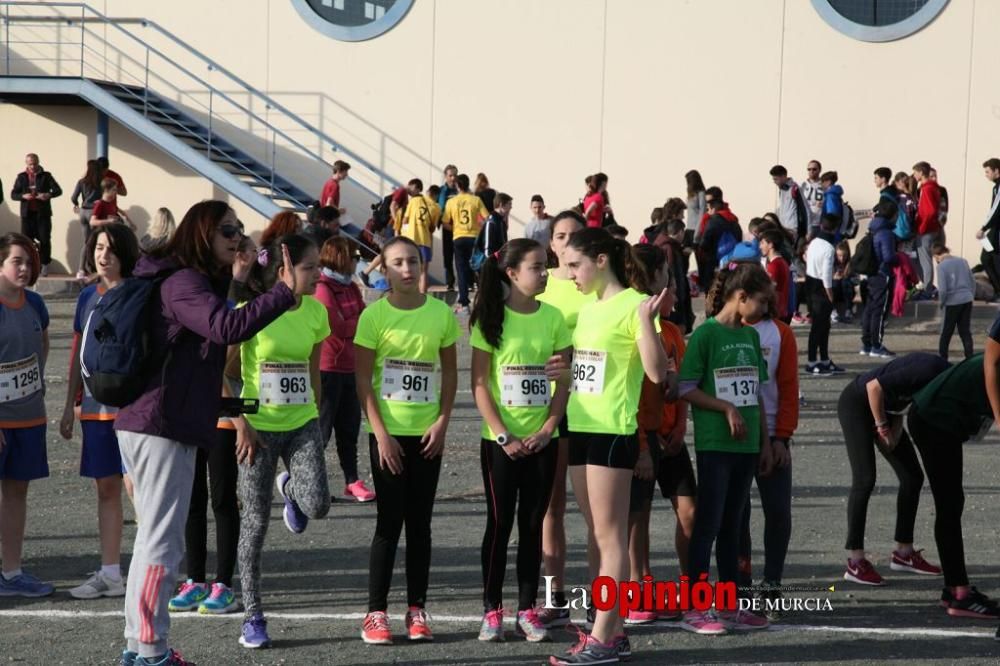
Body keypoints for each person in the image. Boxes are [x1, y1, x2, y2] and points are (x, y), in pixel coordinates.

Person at [114, 201, 297, 666]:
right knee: (161, 541)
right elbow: (225, 326)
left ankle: (140, 647)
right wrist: (282, 293)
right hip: (160, 425)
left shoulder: (184, 280)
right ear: (201, 234)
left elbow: (212, 330)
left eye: (238, 230)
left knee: (152, 539)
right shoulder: (181, 282)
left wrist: (237, 281)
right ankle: (151, 650)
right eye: (227, 231)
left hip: (156, 421)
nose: (237, 238)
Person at [549, 227, 670, 665]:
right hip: (580, 426)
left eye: (575, 265)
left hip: (612, 432)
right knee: (597, 535)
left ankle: (603, 637)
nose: (571, 275)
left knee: (610, 535)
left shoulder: (634, 305)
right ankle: (611, 630)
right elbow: (591, 371)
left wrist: (644, 323)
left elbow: (657, 374)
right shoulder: (589, 308)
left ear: (601, 261)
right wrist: (564, 371)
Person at [355, 237, 458, 645]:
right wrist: (380, 434)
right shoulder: (373, 317)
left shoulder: (441, 314)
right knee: (388, 523)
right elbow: (363, 380)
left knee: (421, 524)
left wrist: (443, 422)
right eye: (397, 262)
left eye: (413, 261)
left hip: (428, 432)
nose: (406, 269)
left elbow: (449, 373)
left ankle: (417, 609)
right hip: (388, 435)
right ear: (385, 269)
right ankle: (375, 612)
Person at [470, 238, 572, 643]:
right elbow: (479, 383)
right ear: (512, 274)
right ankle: (492, 610)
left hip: (543, 440)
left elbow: (566, 380)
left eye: (546, 266)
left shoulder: (555, 317)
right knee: (499, 524)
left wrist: (549, 428)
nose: (545, 273)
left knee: (533, 525)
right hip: (501, 442)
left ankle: (527, 610)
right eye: (537, 267)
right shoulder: (489, 320)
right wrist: (502, 434)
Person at [233, 234, 331, 649]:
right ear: (283, 270)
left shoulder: (316, 313)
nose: (318, 274)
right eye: (310, 267)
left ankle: (290, 487)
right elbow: (220, 372)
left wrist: (315, 420)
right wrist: (240, 422)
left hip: (302, 423)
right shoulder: (248, 312)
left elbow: (314, 373)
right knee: (254, 525)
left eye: (319, 266)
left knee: (319, 504)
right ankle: (253, 617)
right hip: (257, 428)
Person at [677, 262, 773, 637]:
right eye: (762, 302)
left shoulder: (751, 337)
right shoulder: (706, 336)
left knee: (734, 525)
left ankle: (731, 604)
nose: (766, 311)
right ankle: (696, 606)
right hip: (716, 444)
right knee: (709, 524)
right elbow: (685, 387)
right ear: (742, 297)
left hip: (747, 447)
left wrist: (765, 442)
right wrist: (726, 408)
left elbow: (758, 395)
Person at [168, 231, 257, 619]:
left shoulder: (242, 303)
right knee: (192, 500)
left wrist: (239, 420)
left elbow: (220, 357)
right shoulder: (194, 294)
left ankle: (223, 583)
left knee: (222, 499)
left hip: (223, 414)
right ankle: (195, 580)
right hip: (194, 412)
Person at [60, 225, 140, 600]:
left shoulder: (139, 294)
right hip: (95, 409)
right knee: (106, 489)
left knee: (138, 487)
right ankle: (110, 572)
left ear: (125, 252)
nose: (102, 254)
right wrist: (69, 403)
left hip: (133, 409)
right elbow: (78, 351)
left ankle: (151, 565)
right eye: (98, 247)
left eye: (110, 248)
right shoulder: (88, 296)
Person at [839, 352, 947, 586]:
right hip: (857, 403)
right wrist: (882, 426)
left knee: (912, 477)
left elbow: (900, 399)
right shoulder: (930, 371)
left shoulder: (942, 383)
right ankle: (855, 561)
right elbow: (875, 387)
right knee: (865, 479)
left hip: (885, 411)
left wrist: (893, 424)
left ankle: (903, 553)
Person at [908, 349, 1000, 619]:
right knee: (949, 504)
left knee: (951, 503)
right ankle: (958, 593)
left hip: (936, 418)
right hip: (932, 419)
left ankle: (954, 588)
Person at [535, 211, 594, 628]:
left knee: (597, 515)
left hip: (592, 409)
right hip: (549, 409)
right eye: (560, 235)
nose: (567, 241)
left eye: (575, 235)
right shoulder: (538, 286)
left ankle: (597, 597)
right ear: (551, 243)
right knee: (550, 508)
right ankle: (554, 597)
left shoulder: (594, 287)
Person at [625, 244, 680, 625]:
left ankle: (650, 586)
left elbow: (670, 386)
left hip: (660, 434)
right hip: (638, 436)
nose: (672, 283)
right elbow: (635, 395)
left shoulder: (666, 328)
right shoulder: (637, 320)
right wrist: (643, 446)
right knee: (634, 518)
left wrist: (678, 423)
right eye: (667, 274)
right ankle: (634, 592)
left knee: (659, 514)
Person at [738, 290, 798, 620]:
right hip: (734, 438)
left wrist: (781, 438)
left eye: (765, 299)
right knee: (738, 516)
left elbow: (788, 388)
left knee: (777, 513)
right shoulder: (722, 330)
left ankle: (772, 583)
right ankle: (742, 584)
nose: (761, 306)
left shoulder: (780, 333)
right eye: (754, 298)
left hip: (774, 435)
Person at [0, 233, 53, 598]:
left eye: (28, 261)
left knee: (17, 494)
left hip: (29, 417)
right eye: (16, 261)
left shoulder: (35, 303)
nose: (24, 267)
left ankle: (12, 571)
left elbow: (44, 342)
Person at [314, 237, 374, 502]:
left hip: (351, 366)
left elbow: (365, 318)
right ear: (340, 257)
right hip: (328, 368)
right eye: (353, 256)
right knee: (322, 430)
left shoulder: (350, 287)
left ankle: (352, 480)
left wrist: (354, 321)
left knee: (349, 429)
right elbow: (337, 326)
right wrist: (356, 322)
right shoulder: (323, 287)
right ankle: (308, 480)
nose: (356, 261)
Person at [442, 173, 489, 314]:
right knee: (479, 267)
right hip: (473, 237)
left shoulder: (451, 202)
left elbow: (445, 223)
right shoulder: (475, 200)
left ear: (457, 185)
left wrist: (455, 228)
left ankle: (464, 304)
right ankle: (484, 299)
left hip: (459, 237)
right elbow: (487, 218)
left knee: (461, 270)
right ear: (468, 184)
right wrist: (478, 228)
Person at [804, 214, 844, 376]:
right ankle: (812, 361)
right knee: (819, 327)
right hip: (821, 288)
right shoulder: (828, 248)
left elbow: (808, 260)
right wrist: (831, 295)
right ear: (834, 228)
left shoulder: (813, 242)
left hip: (810, 283)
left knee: (822, 326)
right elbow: (827, 276)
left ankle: (825, 359)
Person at [10, 153, 62, 277]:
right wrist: (23, 196)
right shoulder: (21, 177)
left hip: (42, 214)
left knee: (44, 239)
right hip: (27, 214)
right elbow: (13, 194)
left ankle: (45, 264)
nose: (32, 166)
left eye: (34, 163)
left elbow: (58, 190)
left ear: (38, 162)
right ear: (26, 164)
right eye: (30, 164)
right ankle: (29, 264)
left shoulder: (46, 176)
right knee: (26, 241)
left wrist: (47, 195)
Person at [860, 199, 899, 358]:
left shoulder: (873, 229)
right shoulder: (886, 233)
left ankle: (867, 344)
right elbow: (888, 257)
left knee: (869, 309)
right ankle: (876, 345)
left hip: (870, 273)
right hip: (883, 274)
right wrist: (899, 258)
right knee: (879, 311)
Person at [933, 243, 974, 361]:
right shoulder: (963, 261)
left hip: (952, 302)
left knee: (946, 332)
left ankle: (942, 358)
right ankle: (969, 357)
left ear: (937, 256)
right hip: (967, 299)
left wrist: (941, 303)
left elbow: (943, 290)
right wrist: (970, 295)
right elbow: (973, 281)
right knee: (965, 331)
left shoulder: (941, 267)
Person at [397, 179, 437, 294]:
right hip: (425, 242)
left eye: (411, 186)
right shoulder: (434, 206)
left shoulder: (413, 201)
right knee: (423, 272)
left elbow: (405, 221)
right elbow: (432, 228)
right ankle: (422, 296)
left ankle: (410, 295)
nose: (409, 188)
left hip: (412, 240)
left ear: (418, 188)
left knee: (408, 269)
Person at [912, 162, 942, 299]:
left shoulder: (928, 188)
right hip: (928, 229)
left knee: (925, 260)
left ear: (921, 173)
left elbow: (930, 211)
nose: (914, 175)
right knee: (921, 259)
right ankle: (926, 286)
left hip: (926, 230)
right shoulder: (928, 187)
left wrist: (922, 227)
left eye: (915, 172)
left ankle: (927, 288)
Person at [699, 198, 742, 290]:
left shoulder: (713, 221)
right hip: (732, 261)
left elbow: (705, 242)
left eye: (708, 209)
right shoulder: (734, 220)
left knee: (713, 290)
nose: (707, 212)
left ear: (713, 209)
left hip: (714, 262)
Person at [71, 159, 103, 263]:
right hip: (94, 212)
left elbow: (73, 197)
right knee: (97, 241)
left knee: (87, 242)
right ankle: (93, 266)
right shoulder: (100, 182)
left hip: (83, 212)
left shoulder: (82, 182)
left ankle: (81, 269)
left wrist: (76, 205)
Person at [977, 158, 1000, 295]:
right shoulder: (995, 187)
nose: (986, 175)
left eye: (988, 172)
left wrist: (983, 228)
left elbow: (996, 209)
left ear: (996, 171)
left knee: (989, 257)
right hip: (995, 229)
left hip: (996, 229)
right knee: (989, 257)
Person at [759, 229, 791, 323]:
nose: (760, 246)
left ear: (770, 245)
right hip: (781, 309)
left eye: (762, 243)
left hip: (775, 311)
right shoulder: (782, 262)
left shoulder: (775, 265)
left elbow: (770, 288)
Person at [769, 165, 807, 241]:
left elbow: (805, 209)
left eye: (776, 179)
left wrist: (807, 231)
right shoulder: (782, 189)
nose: (774, 182)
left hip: (792, 229)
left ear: (783, 176)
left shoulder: (794, 189)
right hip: (783, 227)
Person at [438, 165, 460, 290]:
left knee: (460, 257)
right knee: (448, 256)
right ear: (445, 176)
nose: (453, 178)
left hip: (460, 229)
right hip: (447, 228)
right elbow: (437, 209)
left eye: (455, 175)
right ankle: (450, 282)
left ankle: (465, 282)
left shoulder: (460, 190)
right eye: (450, 175)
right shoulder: (442, 191)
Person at [832, 241, 855, 323]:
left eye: (844, 256)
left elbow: (856, 279)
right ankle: (833, 311)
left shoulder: (851, 263)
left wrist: (846, 276)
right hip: (835, 290)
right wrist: (834, 277)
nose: (841, 258)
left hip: (846, 291)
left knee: (846, 282)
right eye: (839, 256)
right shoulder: (832, 263)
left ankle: (848, 310)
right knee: (834, 283)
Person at [801, 160, 824, 235]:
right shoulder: (803, 186)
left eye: (814, 169)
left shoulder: (824, 185)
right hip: (805, 223)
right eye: (809, 169)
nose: (811, 171)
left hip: (819, 224)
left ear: (819, 170)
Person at [685, 170, 707, 240]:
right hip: (689, 229)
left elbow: (702, 213)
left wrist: (697, 232)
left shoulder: (701, 194)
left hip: (696, 230)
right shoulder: (690, 195)